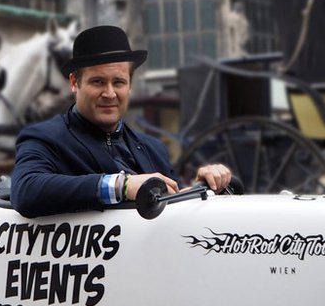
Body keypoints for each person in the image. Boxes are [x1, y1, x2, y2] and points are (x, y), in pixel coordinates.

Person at [12, 25, 230, 218]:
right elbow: (26, 190)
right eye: (98, 82)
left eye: (118, 82)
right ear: (74, 83)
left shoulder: (154, 149)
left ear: (130, 85)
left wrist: (205, 185)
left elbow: (172, 207)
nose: (109, 93)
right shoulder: (45, 138)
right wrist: (122, 186)